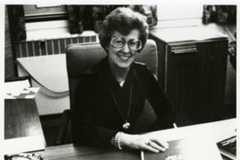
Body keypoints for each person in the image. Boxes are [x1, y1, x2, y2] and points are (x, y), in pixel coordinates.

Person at [73, 7, 175, 153]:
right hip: (99, 152)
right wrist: (125, 139)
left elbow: (167, 113)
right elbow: (80, 131)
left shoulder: (143, 73)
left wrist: (149, 137)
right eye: (119, 42)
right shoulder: (89, 80)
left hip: (135, 151)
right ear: (107, 43)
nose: (126, 50)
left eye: (133, 43)